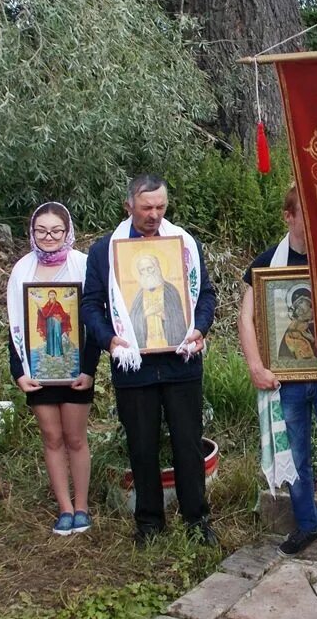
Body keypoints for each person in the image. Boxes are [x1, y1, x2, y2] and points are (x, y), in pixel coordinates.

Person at [82, 174, 217, 547]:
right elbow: (91, 304)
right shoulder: (104, 251)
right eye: (146, 208)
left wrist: (199, 328)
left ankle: (197, 520)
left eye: (160, 207)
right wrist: (110, 340)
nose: (154, 215)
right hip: (133, 367)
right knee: (141, 444)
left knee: (188, 443)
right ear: (129, 206)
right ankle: (149, 523)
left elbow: (204, 295)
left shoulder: (184, 245)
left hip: (181, 362)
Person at [240, 185, 317, 560]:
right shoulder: (265, 265)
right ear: (288, 217)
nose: (311, 224)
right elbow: (248, 316)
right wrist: (256, 365)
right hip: (286, 380)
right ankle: (307, 524)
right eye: (302, 215)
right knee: (296, 454)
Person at [8, 202, 101, 536]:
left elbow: (92, 320)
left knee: (75, 437)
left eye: (55, 231)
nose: (48, 237)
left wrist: (89, 368)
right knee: (51, 436)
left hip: (77, 368)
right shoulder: (22, 270)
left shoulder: (83, 266)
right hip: (38, 368)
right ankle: (63, 508)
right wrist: (18, 371)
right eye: (41, 230)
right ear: (32, 232)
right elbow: (16, 324)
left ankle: (82, 506)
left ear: (67, 231)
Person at [128, 253, 188, 349]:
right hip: (146, 348)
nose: (147, 272)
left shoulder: (170, 290)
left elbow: (178, 319)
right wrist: (146, 313)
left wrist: (163, 314)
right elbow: (133, 321)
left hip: (170, 347)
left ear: (157, 267)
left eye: (150, 268)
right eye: (142, 270)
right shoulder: (139, 295)